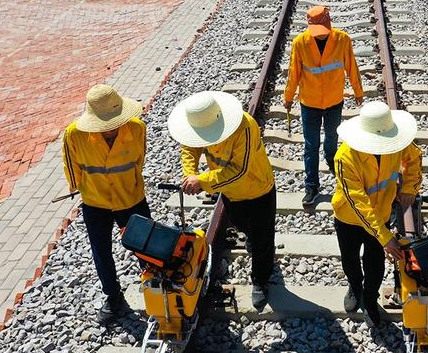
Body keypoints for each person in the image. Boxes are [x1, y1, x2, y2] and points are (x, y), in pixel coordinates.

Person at [167, 91, 275, 309]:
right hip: (230, 193)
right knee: (241, 224)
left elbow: (239, 171)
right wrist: (190, 173)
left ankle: (260, 281)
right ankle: (251, 238)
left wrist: (202, 180)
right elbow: (190, 146)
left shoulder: (245, 127)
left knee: (263, 240)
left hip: (257, 190)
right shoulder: (200, 124)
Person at [62, 84, 150, 322]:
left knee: (146, 247)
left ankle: (156, 287)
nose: (111, 129)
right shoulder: (74, 135)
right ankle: (113, 296)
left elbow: (139, 162)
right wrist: (87, 190)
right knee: (101, 252)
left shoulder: (137, 129)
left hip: (131, 198)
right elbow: (73, 171)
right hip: (95, 203)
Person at [332, 101, 422, 327]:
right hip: (349, 219)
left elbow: (414, 157)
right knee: (350, 259)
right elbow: (358, 202)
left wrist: (410, 187)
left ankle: (370, 300)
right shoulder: (345, 158)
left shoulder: (396, 142)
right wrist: (385, 237)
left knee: (375, 264)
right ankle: (355, 286)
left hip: (381, 215)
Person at [284, 5, 364, 206]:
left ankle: (331, 161)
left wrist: (358, 91)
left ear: (329, 25)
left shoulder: (342, 40)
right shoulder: (300, 43)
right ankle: (311, 186)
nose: (320, 36)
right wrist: (288, 96)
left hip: (334, 102)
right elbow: (294, 72)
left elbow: (351, 66)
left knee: (331, 140)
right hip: (309, 103)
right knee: (311, 145)